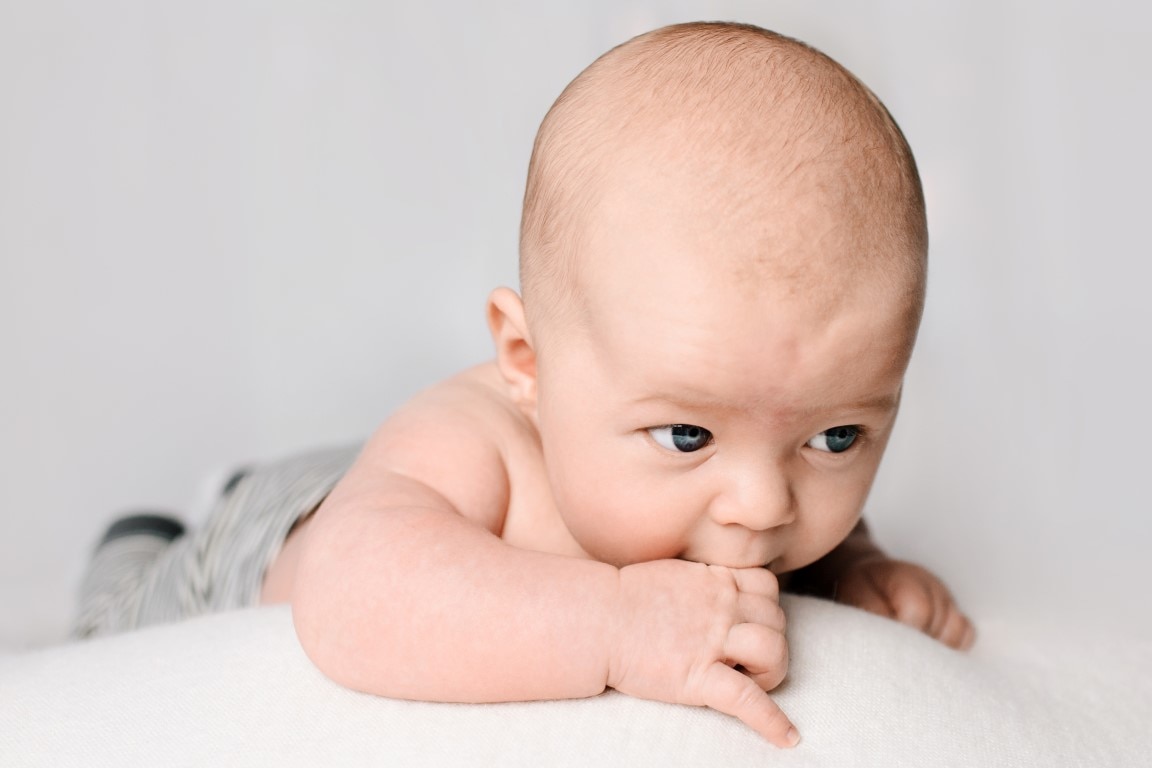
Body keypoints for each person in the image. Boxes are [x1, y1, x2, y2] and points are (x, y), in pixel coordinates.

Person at [75, 21, 974, 749]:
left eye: (835, 439)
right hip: (281, 532)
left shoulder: (752, 470)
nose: (764, 505)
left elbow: (800, 504)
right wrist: (616, 625)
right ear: (528, 364)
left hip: (395, 489)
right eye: (689, 438)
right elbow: (351, 599)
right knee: (120, 610)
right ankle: (142, 536)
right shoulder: (482, 438)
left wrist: (858, 567)